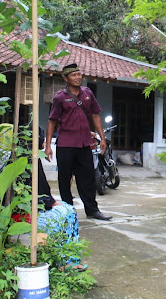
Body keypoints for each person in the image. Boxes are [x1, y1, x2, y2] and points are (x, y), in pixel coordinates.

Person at [45, 63, 112, 221]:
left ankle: (92, 210)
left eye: (79, 74)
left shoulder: (88, 93)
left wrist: (102, 138)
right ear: (65, 78)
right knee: (64, 179)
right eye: (73, 75)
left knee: (87, 178)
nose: (77, 77)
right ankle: (68, 211)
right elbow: (52, 121)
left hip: (84, 144)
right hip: (65, 144)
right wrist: (48, 145)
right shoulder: (60, 97)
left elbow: (95, 115)